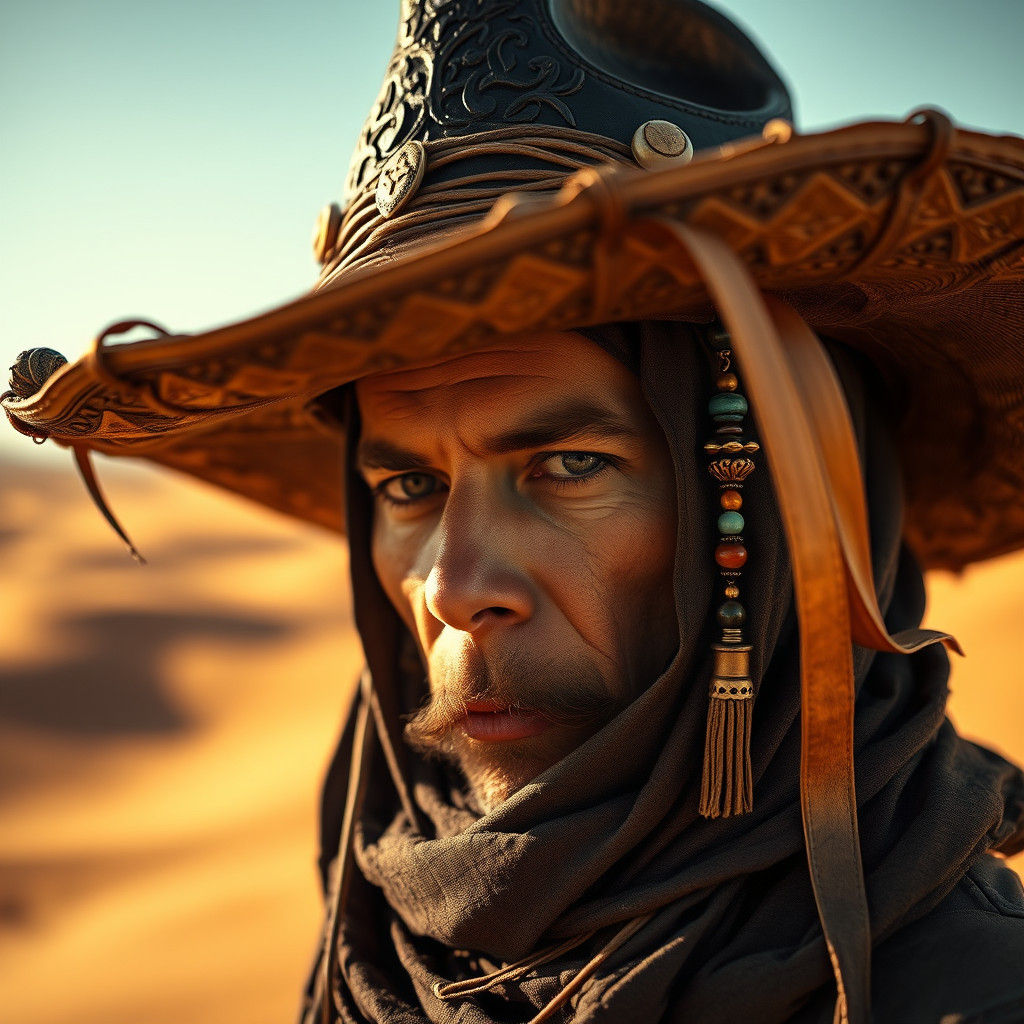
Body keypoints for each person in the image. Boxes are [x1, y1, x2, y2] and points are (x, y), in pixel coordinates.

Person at [4, 1, 1024, 1021]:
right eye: (409, 486)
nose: (453, 591)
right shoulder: (376, 946)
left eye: (569, 465)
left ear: (777, 505)